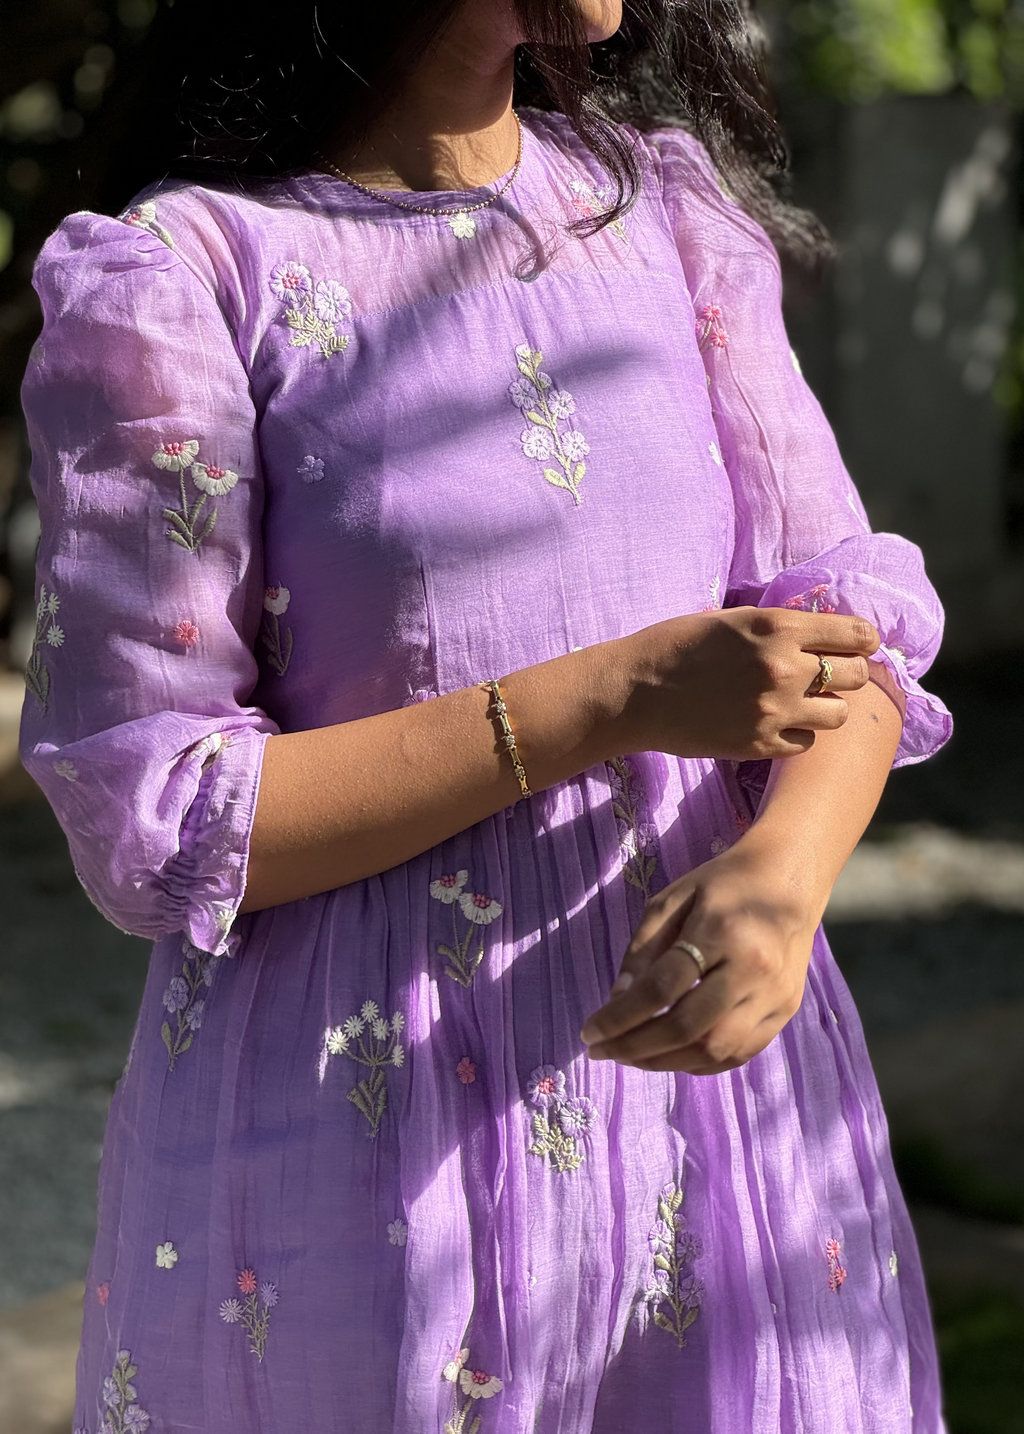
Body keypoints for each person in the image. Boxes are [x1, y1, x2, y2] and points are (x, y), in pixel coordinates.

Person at [20, 0, 952, 1429]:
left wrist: (784, 876)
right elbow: (166, 823)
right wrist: (620, 692)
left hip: (727, 1135)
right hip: (374, 1158)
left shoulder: (667, 223)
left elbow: (852, 627)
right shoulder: (185, 278)